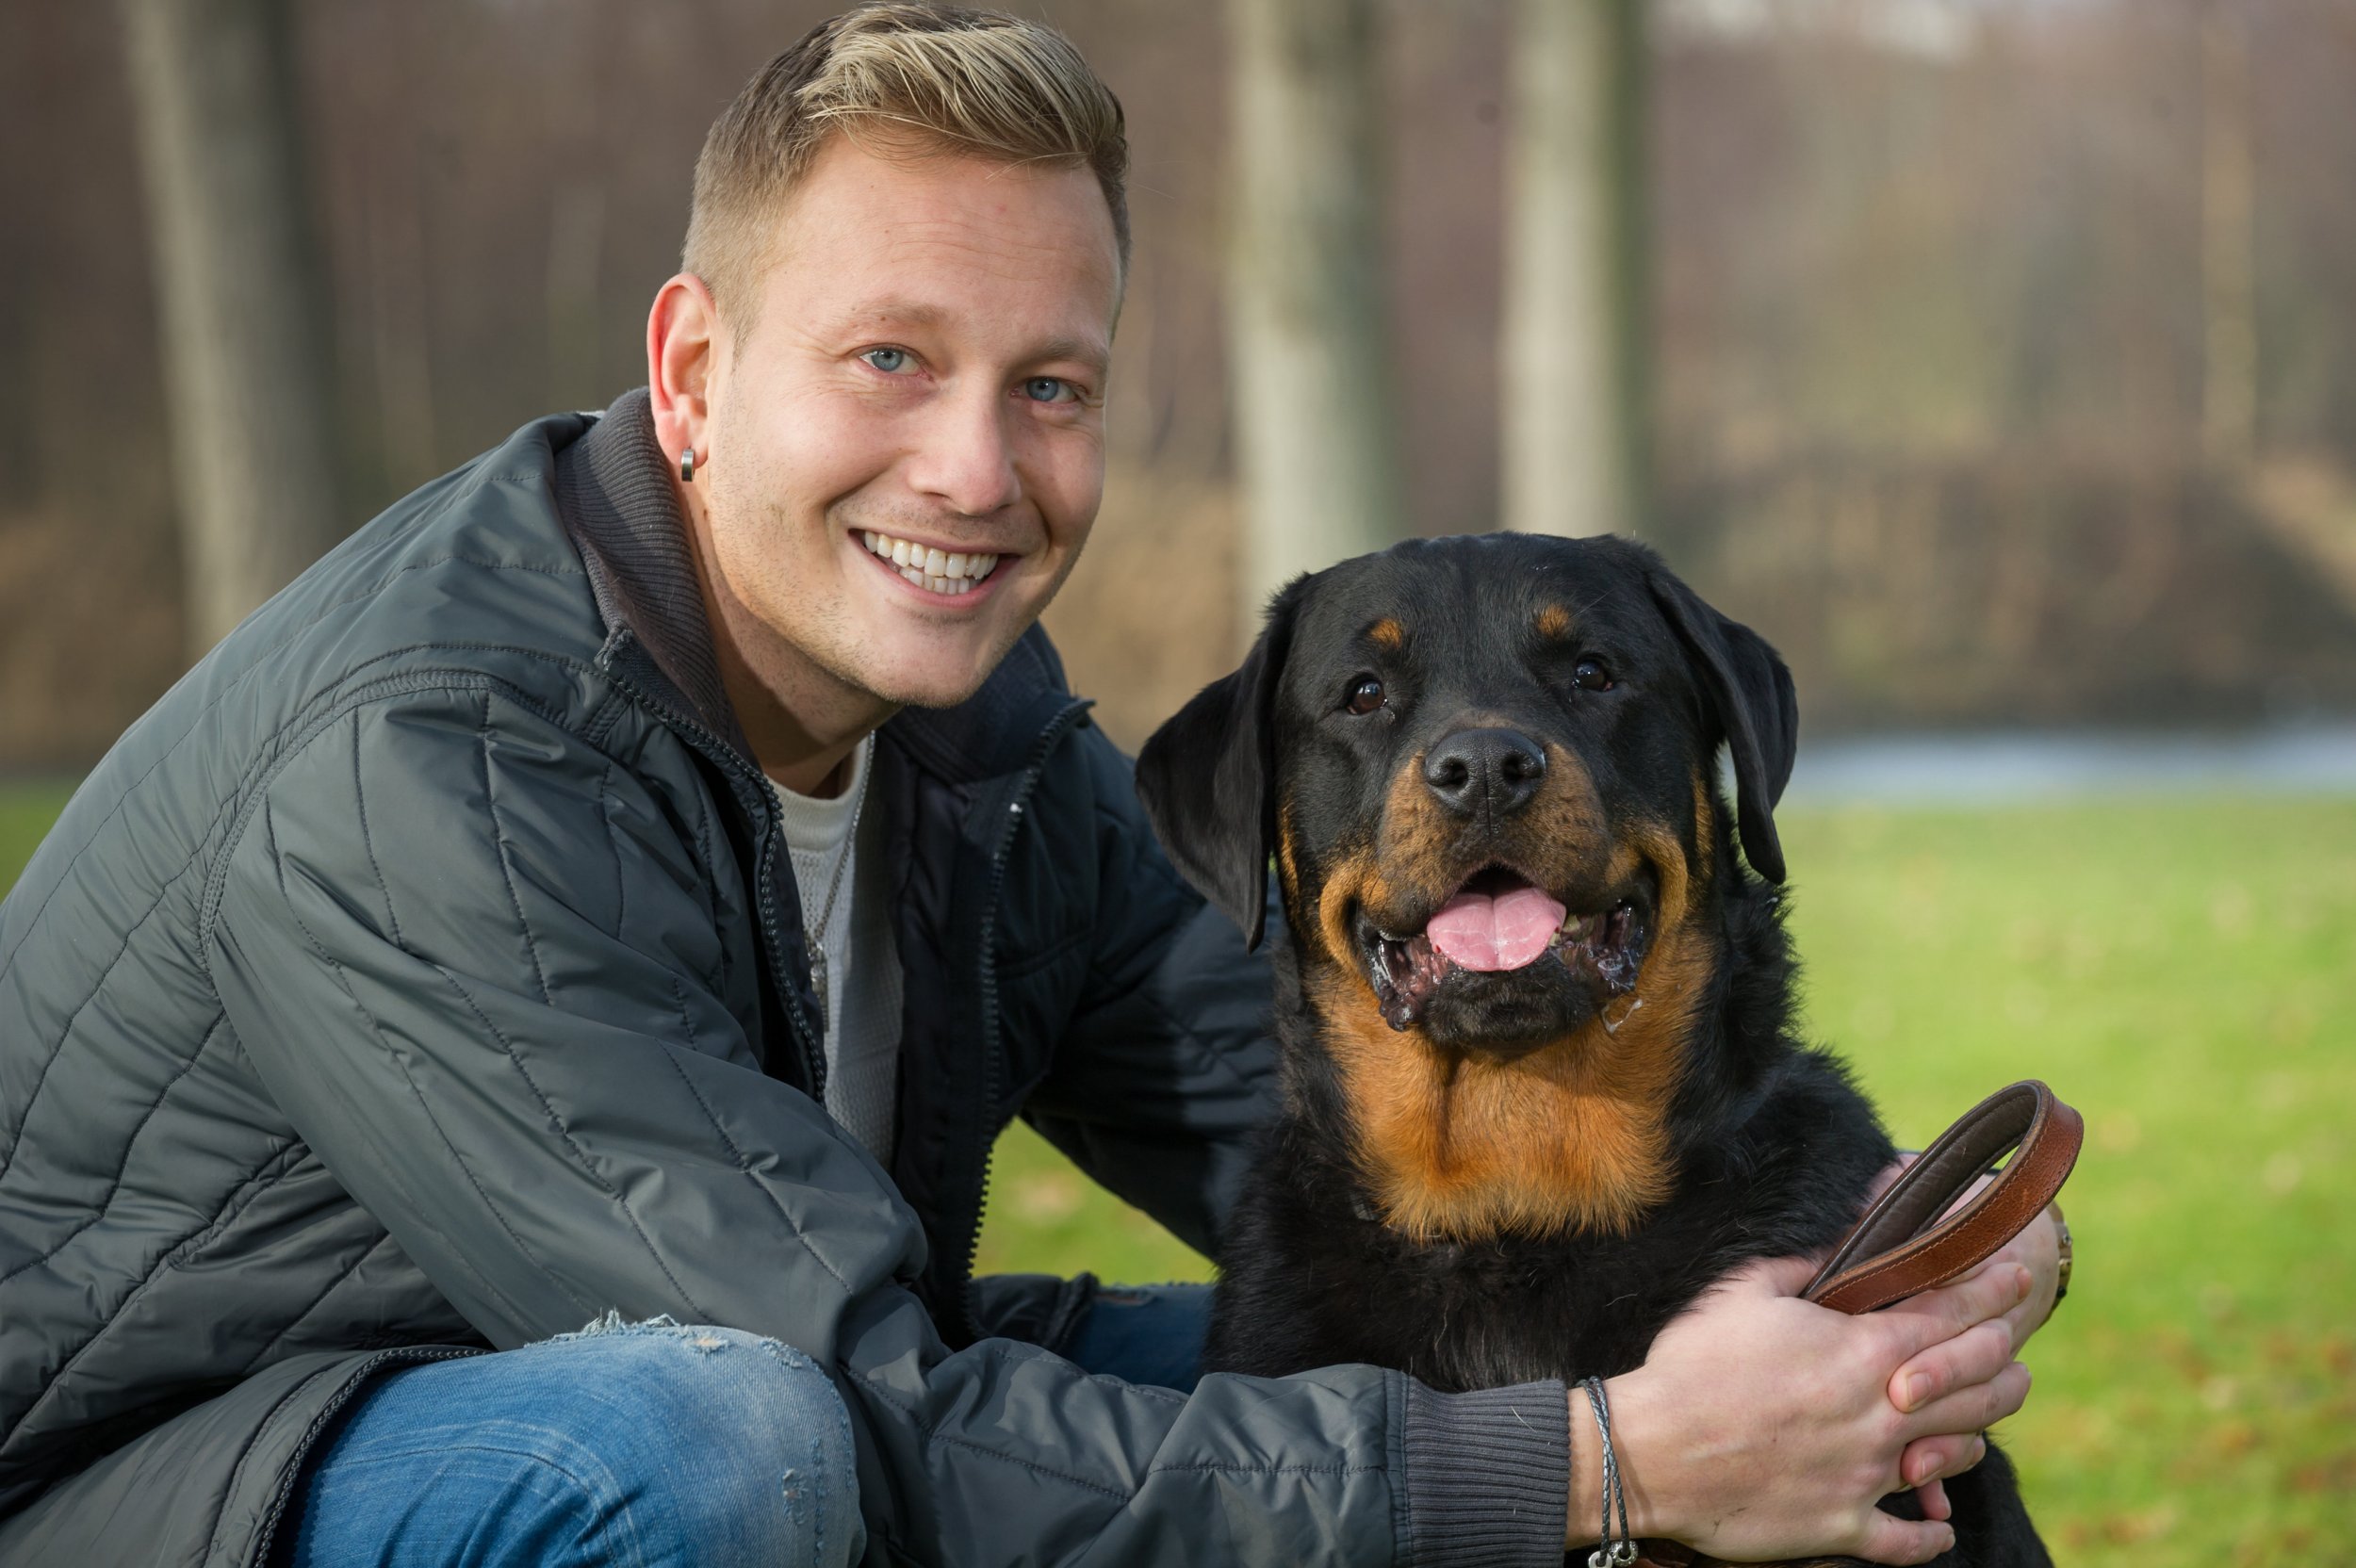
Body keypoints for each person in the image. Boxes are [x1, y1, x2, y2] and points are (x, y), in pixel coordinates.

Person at [0, 8, 2058, 1565]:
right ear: (694, 372)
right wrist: (1609, 1462)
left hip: (730, 1345)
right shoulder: (422, 761)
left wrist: (1865, 1283)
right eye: (888, 360)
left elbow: (1305, 1115)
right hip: (177, 1469)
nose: (975, 473)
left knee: (1442, 1346)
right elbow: (850, 1398)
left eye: (1046, 384)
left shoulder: (964, 723)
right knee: (729, 1448)